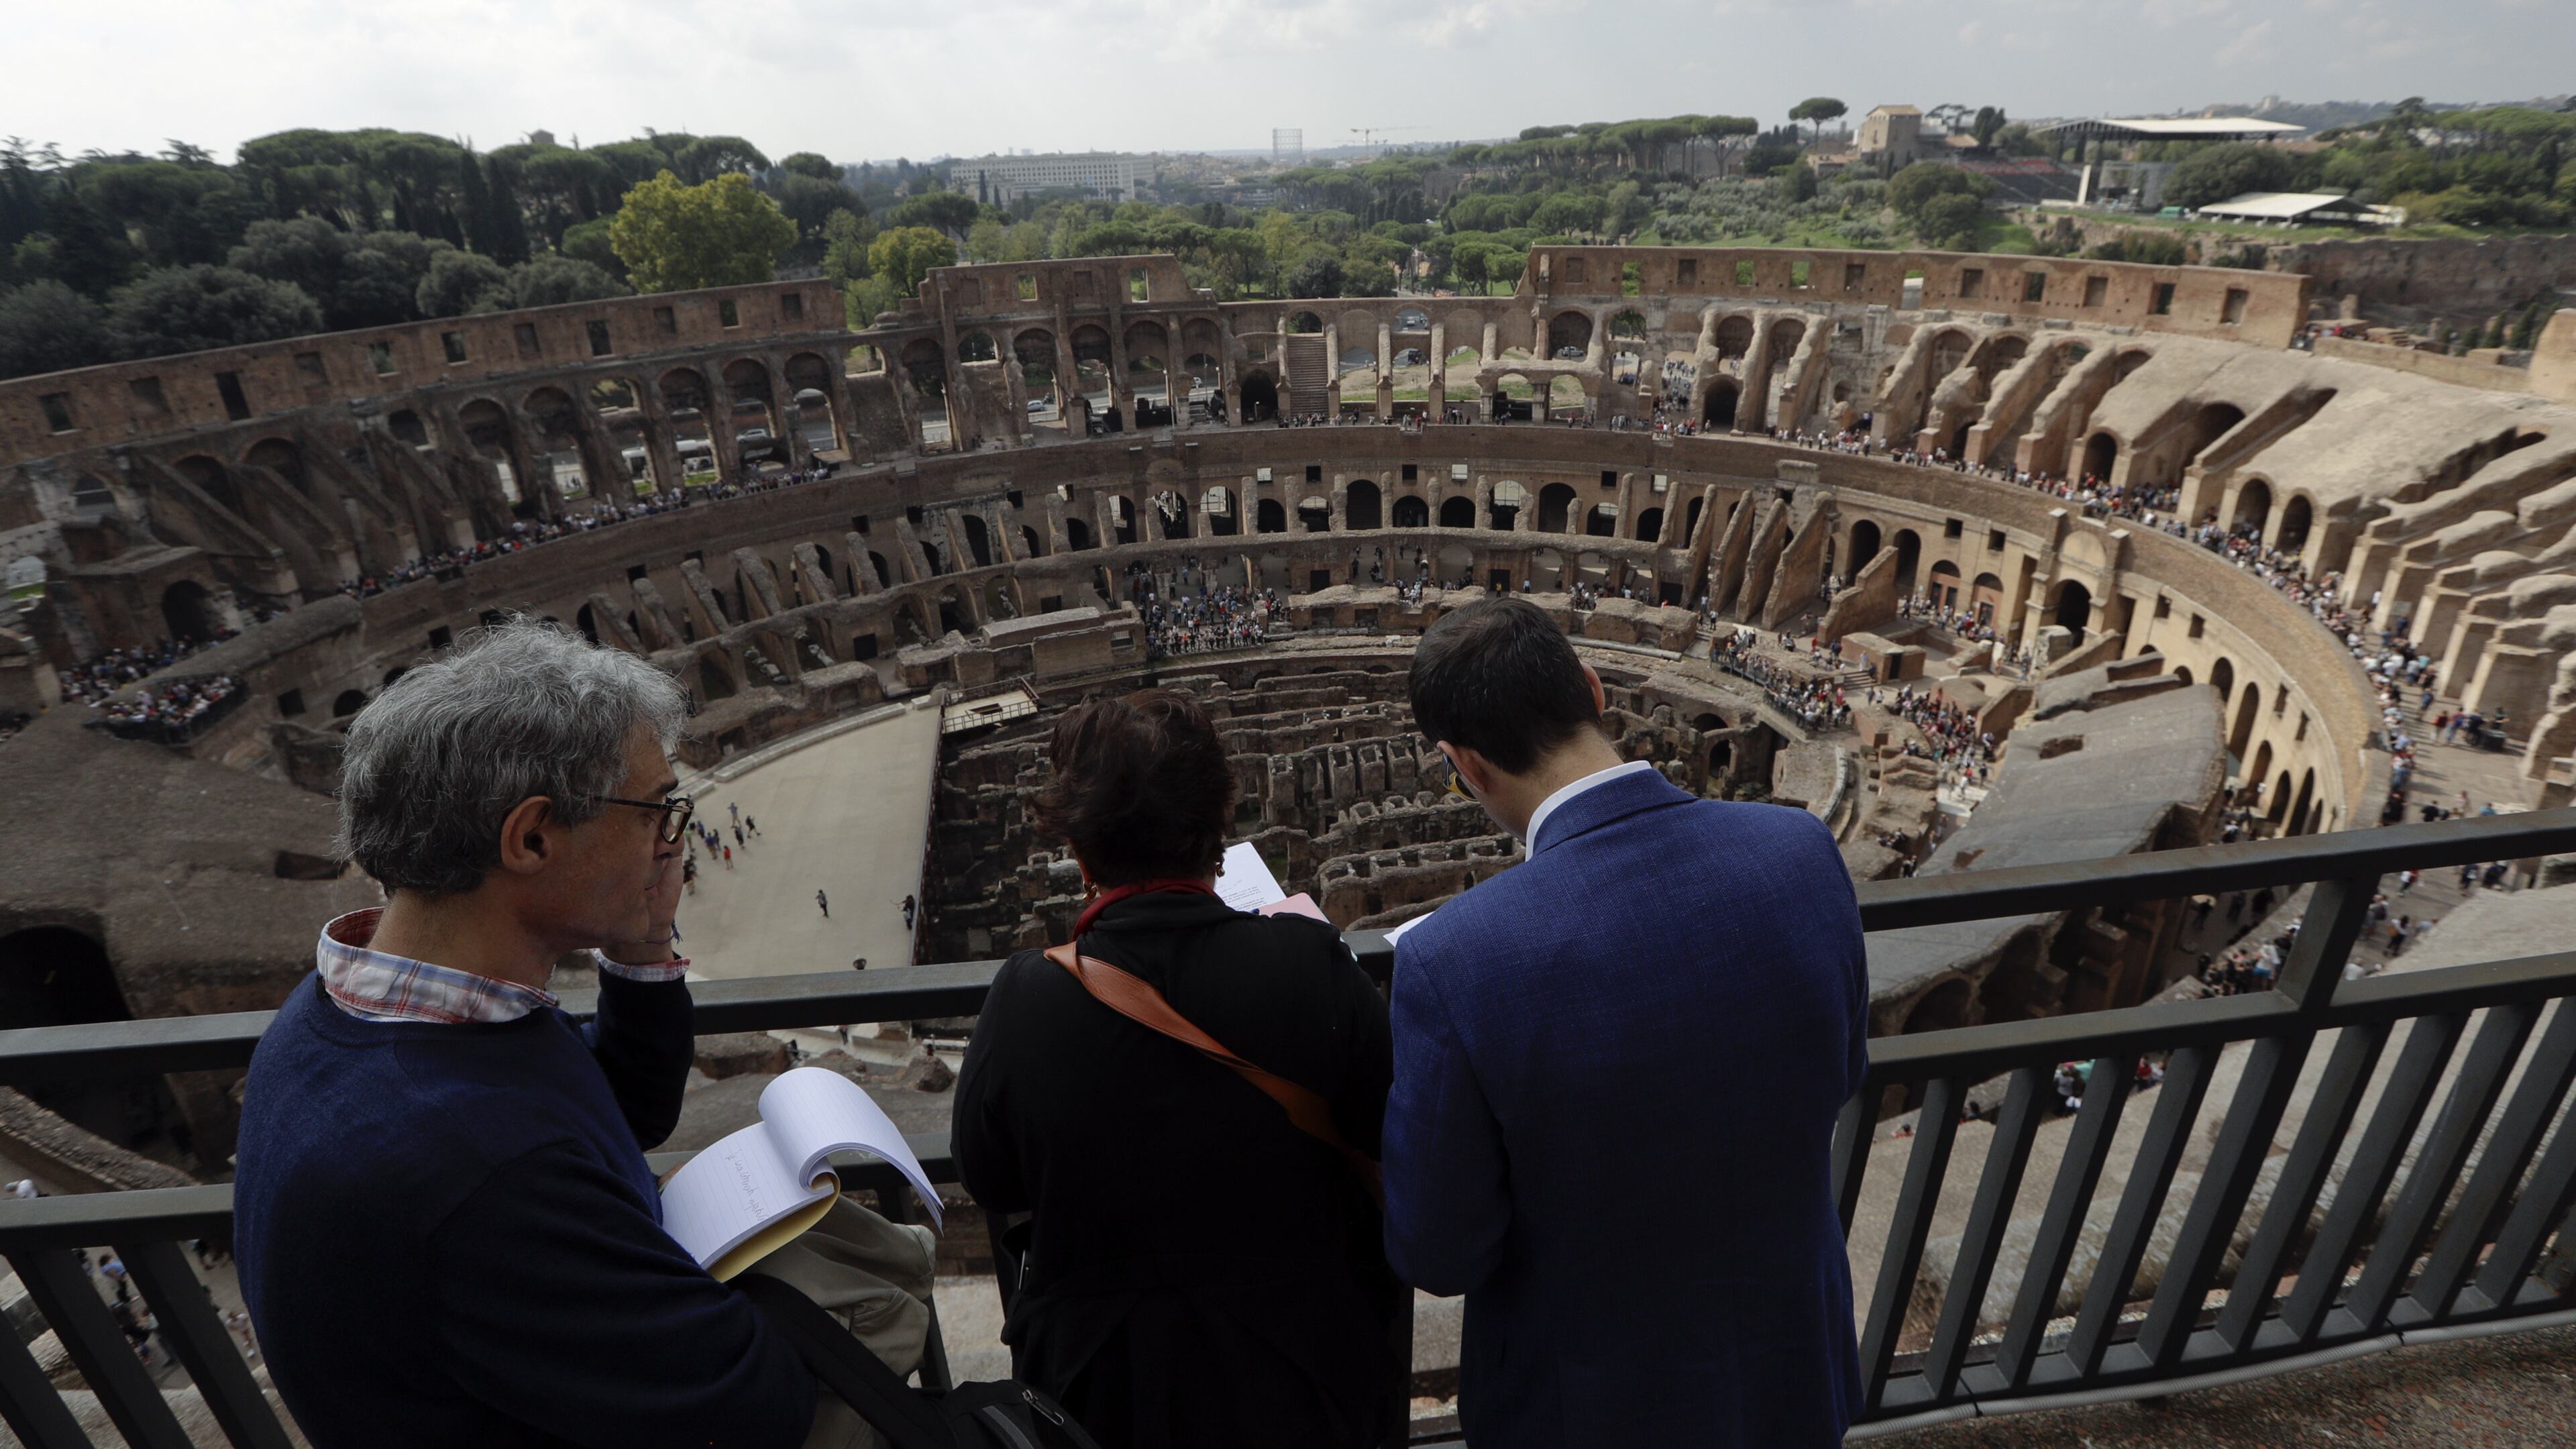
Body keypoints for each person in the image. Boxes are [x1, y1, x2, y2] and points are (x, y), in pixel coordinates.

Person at [232, 622, 817, 1448]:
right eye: (657, 809)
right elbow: (752, 1406)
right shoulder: (476, 1166)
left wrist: (645, 944)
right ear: (533, 836)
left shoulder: (343, 1016)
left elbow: (615, 1115)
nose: (671, 840)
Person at [1382, 598, 1867, 1447]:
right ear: (1595, 691)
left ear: (1467, 766)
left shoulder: (1456, 960)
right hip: (1791, 1362)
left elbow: (1440, 1253)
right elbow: (1840, 1072)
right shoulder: (1801, 853)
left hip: (1594, 1407)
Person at [953, 690, 1397, 1449]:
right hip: (1299, 1376)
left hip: (1107, 1390)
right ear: (1219, 827)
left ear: (1082, 850)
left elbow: (991, 1178)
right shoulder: (1309, 963)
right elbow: (1387, 1122)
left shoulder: (1027, 997)